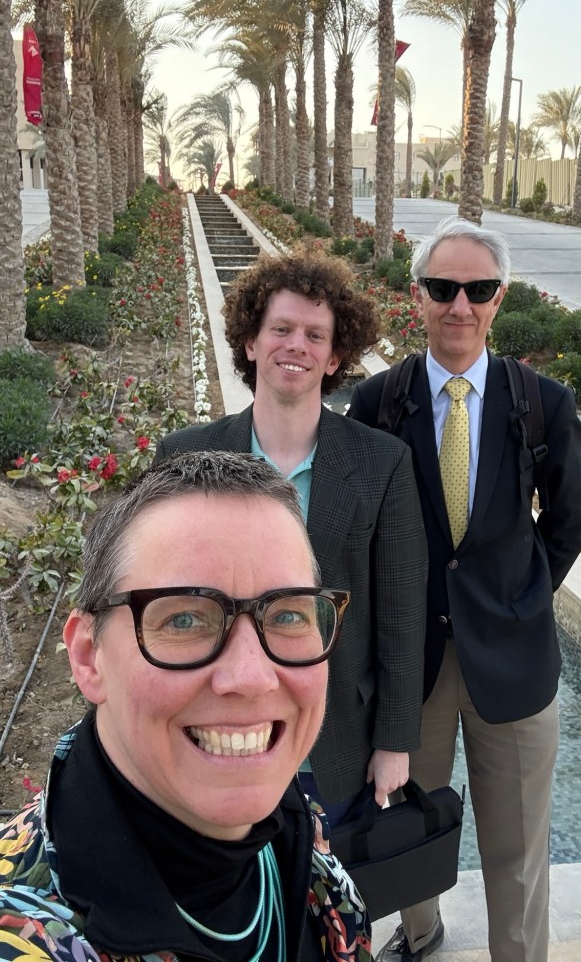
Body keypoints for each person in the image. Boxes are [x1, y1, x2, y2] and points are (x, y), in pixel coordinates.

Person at [0, 452, 371, 962]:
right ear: (89, 656)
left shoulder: (296, 829)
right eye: (184, 620)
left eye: (287, 614)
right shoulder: (8, 939)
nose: (251, 677)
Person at [348, 216, 581, 962]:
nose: (460, 305)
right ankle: (419, 934)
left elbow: (569, 521)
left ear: (499, 299)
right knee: (406, 827)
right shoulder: (378, 403)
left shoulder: (542, 403)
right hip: (408, 668)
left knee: (517, 844)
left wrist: (521, 600)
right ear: (417, 294)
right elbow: (360, 534)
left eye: (478, 289)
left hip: (513, 666)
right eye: (443, 287)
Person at [155, 253, 427, 825]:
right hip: (217, 730)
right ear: (251, 343)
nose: (296, 346)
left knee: (327, 884)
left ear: (334, 357)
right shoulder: (184, 456)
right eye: (281, 329)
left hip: (336, 743)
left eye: (314, 335)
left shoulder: (382, 464)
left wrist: (395, 742)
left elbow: (401, 614)